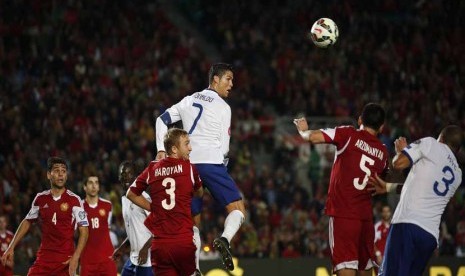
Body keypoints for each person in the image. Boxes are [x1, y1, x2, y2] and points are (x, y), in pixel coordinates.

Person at [155, 63, 245, 271]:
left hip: (187, 165)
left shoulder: (188, 100)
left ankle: (194, 269)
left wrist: (161, 149)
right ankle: (224, 239)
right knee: (238, 210)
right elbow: (224, 148)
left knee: (192, 222)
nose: (231, 84)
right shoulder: (224, 107)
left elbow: (161, 120)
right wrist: (221, 169)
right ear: (215, 79)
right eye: (228, 79)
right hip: (212, 162)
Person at [293, 103, 388, 276]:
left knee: (345, 269)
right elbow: (384, 180)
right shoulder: (383, 152)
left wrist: (303, 130)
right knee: (365, 268)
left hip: (344, 214)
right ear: (382, 127)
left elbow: (312, 137)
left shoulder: (348, 134)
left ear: (360, 120)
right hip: (366, 218)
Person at [369, 125, 463, 276]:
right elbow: (422, 186)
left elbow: (398, 163)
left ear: (442, 138)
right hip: (429, 237)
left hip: (408, 224)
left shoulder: (431, 143)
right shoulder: (458, 174)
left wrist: (402, 151)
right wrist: (388, 188)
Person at [127, 128, 203, 276]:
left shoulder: (153, 168)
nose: (190, 148)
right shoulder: (189, 168)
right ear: (174, 149)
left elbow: (130, 194)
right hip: (183, 243)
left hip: (160, 246)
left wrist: (153, 207)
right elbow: (199, 193)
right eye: (186, 144)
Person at [1, 157, 89, 276]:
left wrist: (76, 257)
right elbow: (27, 221)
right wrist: (11, 247)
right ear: (48, 175)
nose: (61, 174)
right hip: (44, 258)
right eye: (57, 170)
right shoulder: (40, 198)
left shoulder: (75, 200)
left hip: (65, 260)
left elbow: (84, 231)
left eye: (63, 171)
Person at [112, 161, 153, 276]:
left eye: (128, 173)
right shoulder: (124, 199)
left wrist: (145, 249)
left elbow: (161, 228)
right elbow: (135, 232)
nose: (125, 177)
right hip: (134, 258)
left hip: (147, 259)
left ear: (136, 176)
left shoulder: (143, 197)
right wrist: (121, 248)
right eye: (122, 174)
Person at [80, 175, 117, 275]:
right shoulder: (78, 208)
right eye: (90, 183)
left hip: (107, 259)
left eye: (96, 183)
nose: (94, 186)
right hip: (87, 261)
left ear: (99, 187)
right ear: (84, 187)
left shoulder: (108, 205)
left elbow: (107, 230)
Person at [373, 205, 391, 273]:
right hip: (380, 260)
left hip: (391, 259)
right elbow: (372, 242)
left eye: (388, 211)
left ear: (390, 213)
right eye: (384, 211)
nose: (386, 213)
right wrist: (378, 254)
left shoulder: (394, 227)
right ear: (381, 213)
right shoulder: (377, 226)